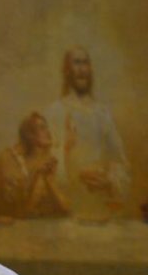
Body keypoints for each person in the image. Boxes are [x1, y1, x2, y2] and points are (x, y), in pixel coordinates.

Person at [44, 47, 130, 221]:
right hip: (65, 208)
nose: (82, 69)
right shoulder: (55, 112)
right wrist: (66, 151)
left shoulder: (102, 114)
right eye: (76, 63)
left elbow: (122, 164)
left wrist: (110, 180)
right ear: (67, 71)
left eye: (85, 63)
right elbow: (45, 163)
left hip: (99, 209)